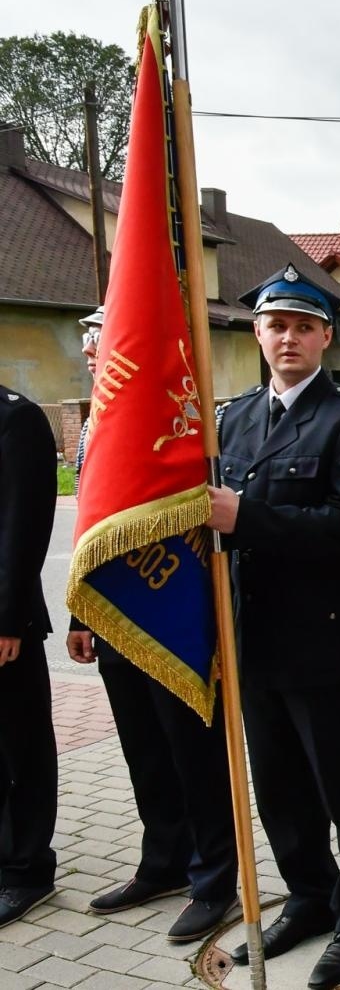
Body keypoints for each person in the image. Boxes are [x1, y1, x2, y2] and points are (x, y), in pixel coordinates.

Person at [205, 265, 340, 987]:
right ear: (257, 333)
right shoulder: (235, 417)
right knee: (279, 788)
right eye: (276, 325)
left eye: (303, 327)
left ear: (325, 337)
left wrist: (248, 517)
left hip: (323, 639)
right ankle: (310, 896)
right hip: (253, 639)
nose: (288, 338)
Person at [67, 307, 241, 944]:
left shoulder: (183, 418)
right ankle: (163, 861)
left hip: (175, 610)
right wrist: (82, 613)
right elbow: (90, 521)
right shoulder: (98, 423)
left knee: (193, 752)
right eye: (90, 342)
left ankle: (215, 879)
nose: (95, 352)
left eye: (106, 340)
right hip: (115, 610)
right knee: (143, 749)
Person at [0, 383, 59, 928]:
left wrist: (8, 619)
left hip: (4, 621)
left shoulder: (15, 419)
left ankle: (27, 871)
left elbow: (24, 528)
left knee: (19, 747)